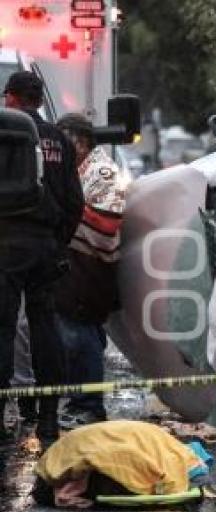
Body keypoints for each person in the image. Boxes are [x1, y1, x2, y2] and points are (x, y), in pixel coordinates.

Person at [0, 71, 84, 444]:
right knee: (45, 327)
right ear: (37, 98)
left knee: (2, 329)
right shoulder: (60, 140)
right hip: (46, 246)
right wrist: (57, 242)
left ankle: (3, 415)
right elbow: (74, 203)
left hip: (6, 245)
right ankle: (48, 419)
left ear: (11, 98)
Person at [54, 113, 129, 429]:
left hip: (91, 266)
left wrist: (62, 210)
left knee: (80, 335)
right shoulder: (76, 170)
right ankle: (80, 401)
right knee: (80, 333)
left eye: (63, 140)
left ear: (80, 142)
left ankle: (88, 405)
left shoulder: (103, 171)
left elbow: (107, 221)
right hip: (75, 264)